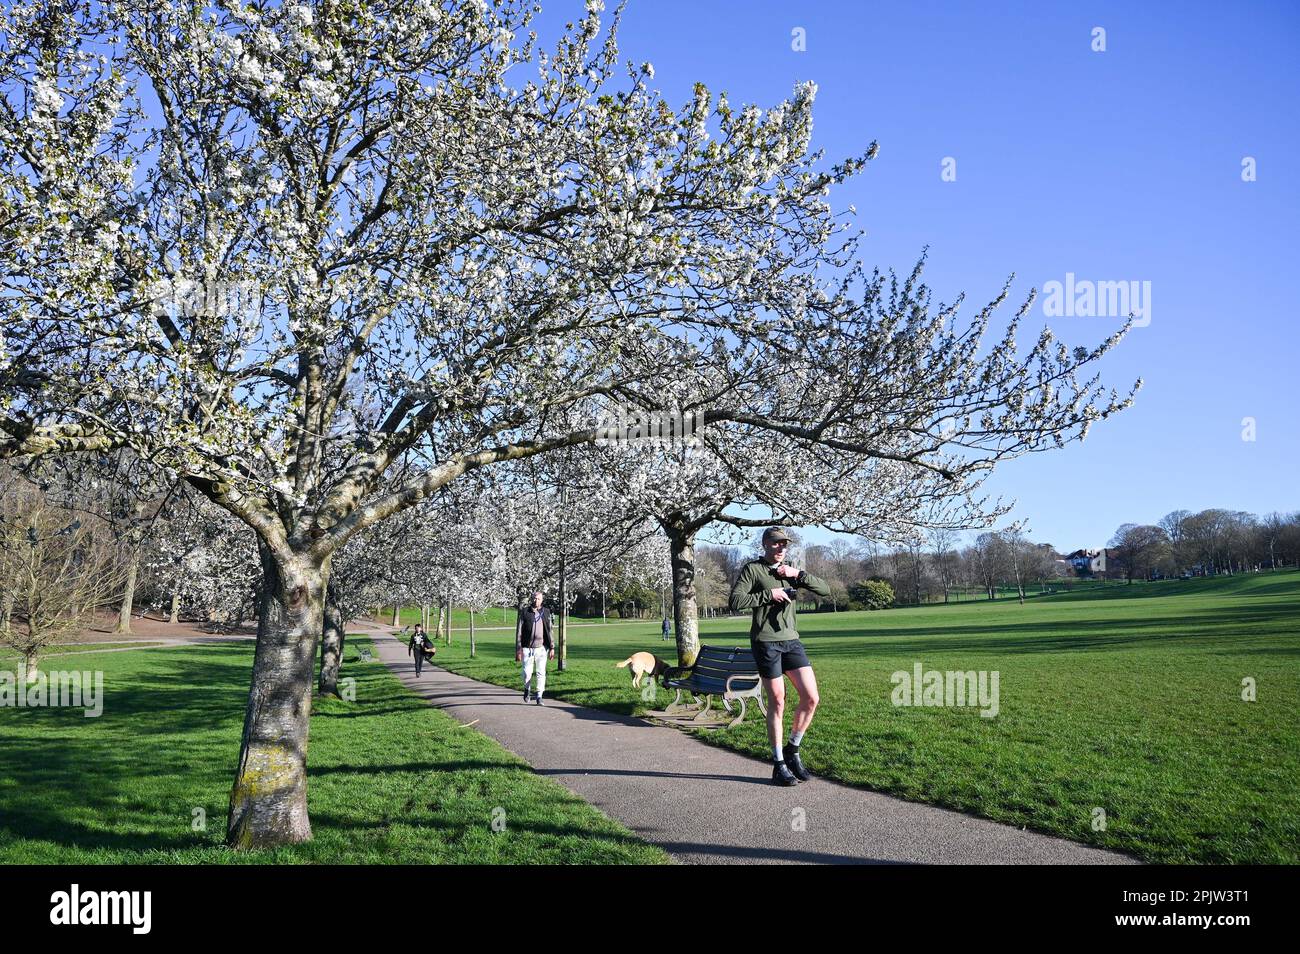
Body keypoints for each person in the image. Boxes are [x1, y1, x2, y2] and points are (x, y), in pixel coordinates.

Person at [728, 527, 831, 786]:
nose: (781, 548)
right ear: (765, 545)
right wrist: (768, 595)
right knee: (778, 700)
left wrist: (799, 575)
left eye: (784, 544)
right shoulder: (753, 570)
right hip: (766, 643)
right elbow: (735, 601)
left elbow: (826, 590)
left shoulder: (791, 571)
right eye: (775, 544)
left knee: (811, 697)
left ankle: (792, 750)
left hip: (791, 641)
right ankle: (778, 764)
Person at [515, 591, 554, 705]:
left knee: (541, 672)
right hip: (527, 648)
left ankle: (539, 696)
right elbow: (519, 631)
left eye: (538, 599)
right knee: (527, 672)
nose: (536, 600)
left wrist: (552, 647)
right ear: (531, 599)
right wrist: (518, 648)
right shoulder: (525, 612)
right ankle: (527, 689)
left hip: (541, 648)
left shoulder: (546, 612)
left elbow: (550, 630)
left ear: (542, 600)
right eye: (534, 598)